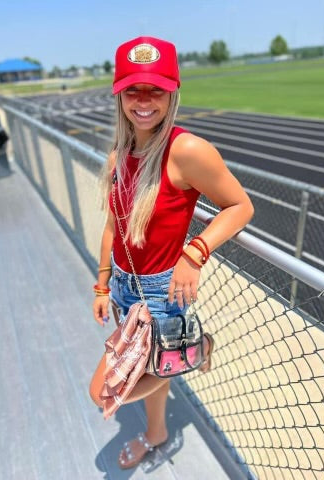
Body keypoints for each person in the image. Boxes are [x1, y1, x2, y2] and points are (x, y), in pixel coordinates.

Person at [89, 36, 254, 469]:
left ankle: (192, 348)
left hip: (162, 292)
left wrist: (194, 253)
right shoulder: (120, 154)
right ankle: (157, 431)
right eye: (133, 90)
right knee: (150, 370)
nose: (143, 101)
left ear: (172, 92)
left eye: (155, 89)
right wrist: (103, 285)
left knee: (104, 391)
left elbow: (240, 206)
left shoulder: (186, 150)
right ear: (119, 94)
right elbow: (113, 226)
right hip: (127, 288)